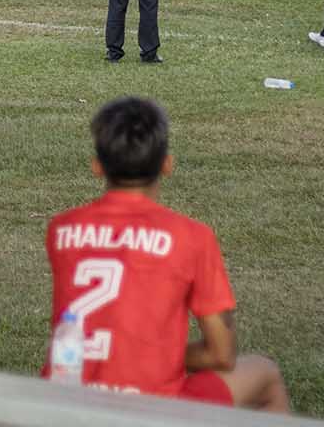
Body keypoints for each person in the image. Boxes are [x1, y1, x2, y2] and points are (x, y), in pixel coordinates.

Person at [45, 97, 290, 411]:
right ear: (167, 164)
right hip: (149, 407)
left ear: (97, 167)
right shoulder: (191, 237)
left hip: (64, 401)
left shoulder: (61, 229)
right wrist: (151, 352)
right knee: (265, 373)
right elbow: (222, 354)